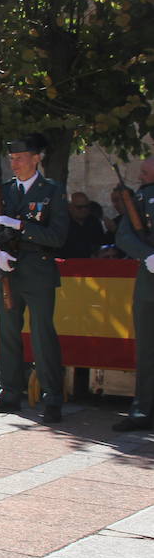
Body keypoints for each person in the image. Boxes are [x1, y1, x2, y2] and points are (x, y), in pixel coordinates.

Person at [0, 134, 70, 424]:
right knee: (7, 333)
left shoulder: (52, 191)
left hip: (38, 269)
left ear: (36, 158)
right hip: (7, 270)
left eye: (20, 158)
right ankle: (9, 393)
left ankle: (52, 397)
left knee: (43, 335)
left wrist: (20, 226)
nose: (15, 164)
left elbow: (57, 236)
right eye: (11, 160)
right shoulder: (4, 191)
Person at [112, 153, 154, 431]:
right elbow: (124, 236)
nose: (140, 177)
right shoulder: (138, 199)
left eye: (145, 173)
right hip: (149, 279)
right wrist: (148, 256)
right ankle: (143, 408)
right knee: (148, 347)